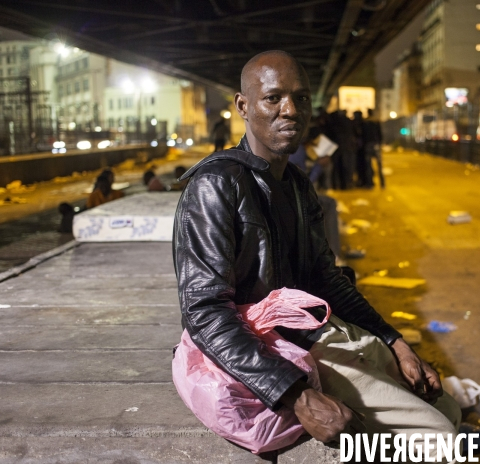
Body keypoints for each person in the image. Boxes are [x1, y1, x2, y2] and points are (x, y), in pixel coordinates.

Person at [173, 50, 459, 454]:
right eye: (273, 98)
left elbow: (328, 278)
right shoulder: (216, 186)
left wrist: (394, 341)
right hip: (276, 351)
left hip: (317, 332)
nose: (290, 111)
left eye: (301, 99)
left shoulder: (296, 183)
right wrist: (297, 395)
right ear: (243, 105)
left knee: (447, 408)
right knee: (440, 440)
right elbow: (204, 311)